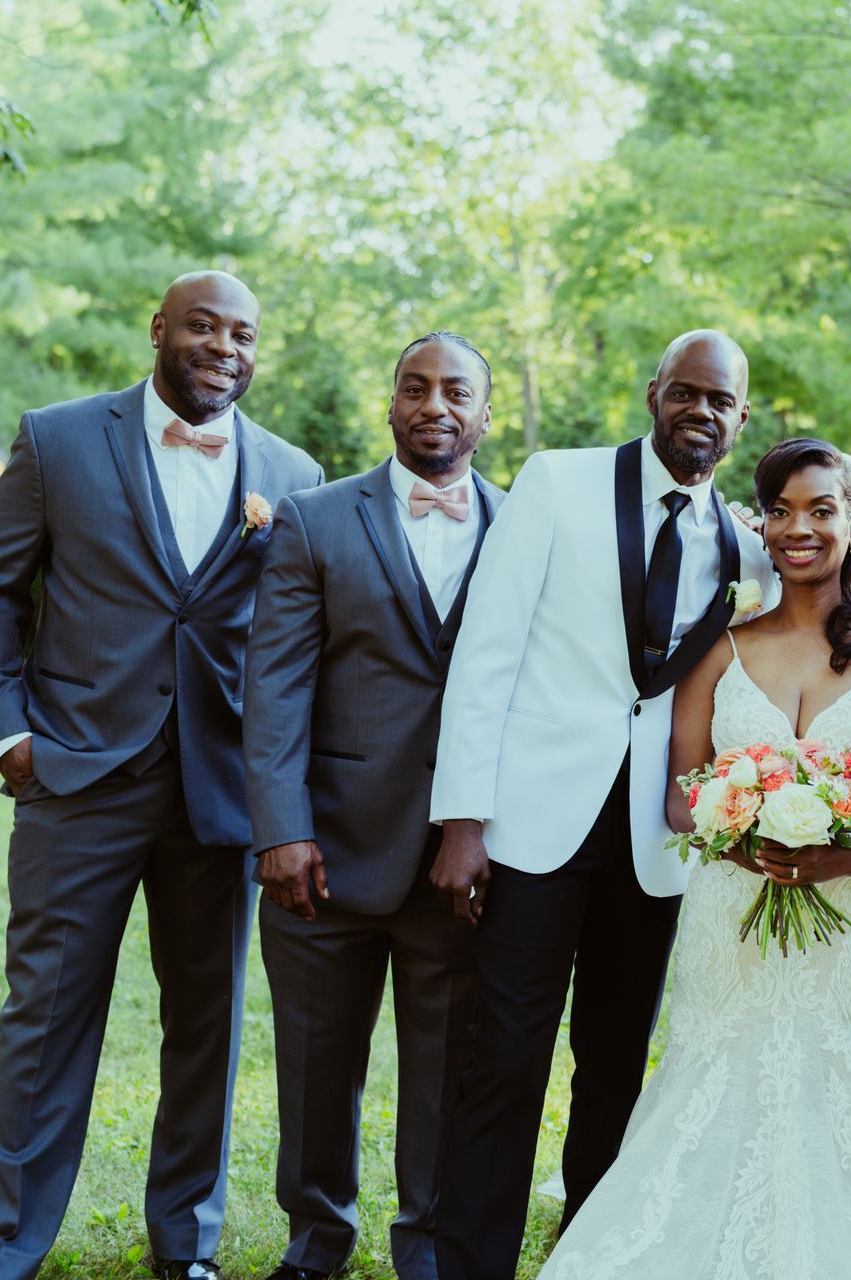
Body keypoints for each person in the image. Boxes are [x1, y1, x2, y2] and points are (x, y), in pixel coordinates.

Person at [536, 437, 851, 1278]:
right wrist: (739, 824)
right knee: (713, 1073)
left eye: (821, 509)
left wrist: (843, 855)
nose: (799, 528)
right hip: (731, 914)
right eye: (780, 511)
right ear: (760, 528)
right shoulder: (719, 652)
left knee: (846, 1081)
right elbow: (680, 794)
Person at [0, 271, 323, 1280]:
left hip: (222, 791)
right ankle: (5, 1246)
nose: (223, 346)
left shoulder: (292, 473)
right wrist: (6, 734)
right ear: (159, 330)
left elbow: (298, 644)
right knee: (46, 1015)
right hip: (77, 777)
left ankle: (186, 1247)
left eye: (242, 332)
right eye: (202, 325)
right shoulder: (59, 439)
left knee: (207, 1028)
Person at [426, 330, 777, 1280]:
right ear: (653, 390)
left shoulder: (747, 545)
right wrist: (464, 820)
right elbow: (487, 650)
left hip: (656, 838)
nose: (700, 412)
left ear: (741, 421)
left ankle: (591, 1249)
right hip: (536, 824)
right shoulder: (557, 480)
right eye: (686, 393)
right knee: (505, 1055)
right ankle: (471, 1261)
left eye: (722, 402)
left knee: (616, 1059)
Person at [243, 332, 507, 1280]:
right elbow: (273, 686)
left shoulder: (524, 527)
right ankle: (315, 1243)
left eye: (455, 391)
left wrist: (482, 827)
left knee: (445, 1072)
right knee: (315, 1068)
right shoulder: (315, 521)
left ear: (487, 414)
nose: (434, 404)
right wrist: (280, 827)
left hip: (459, 857)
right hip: (326, 848)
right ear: (390, 405)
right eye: (414, 387)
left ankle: (427, 1250)